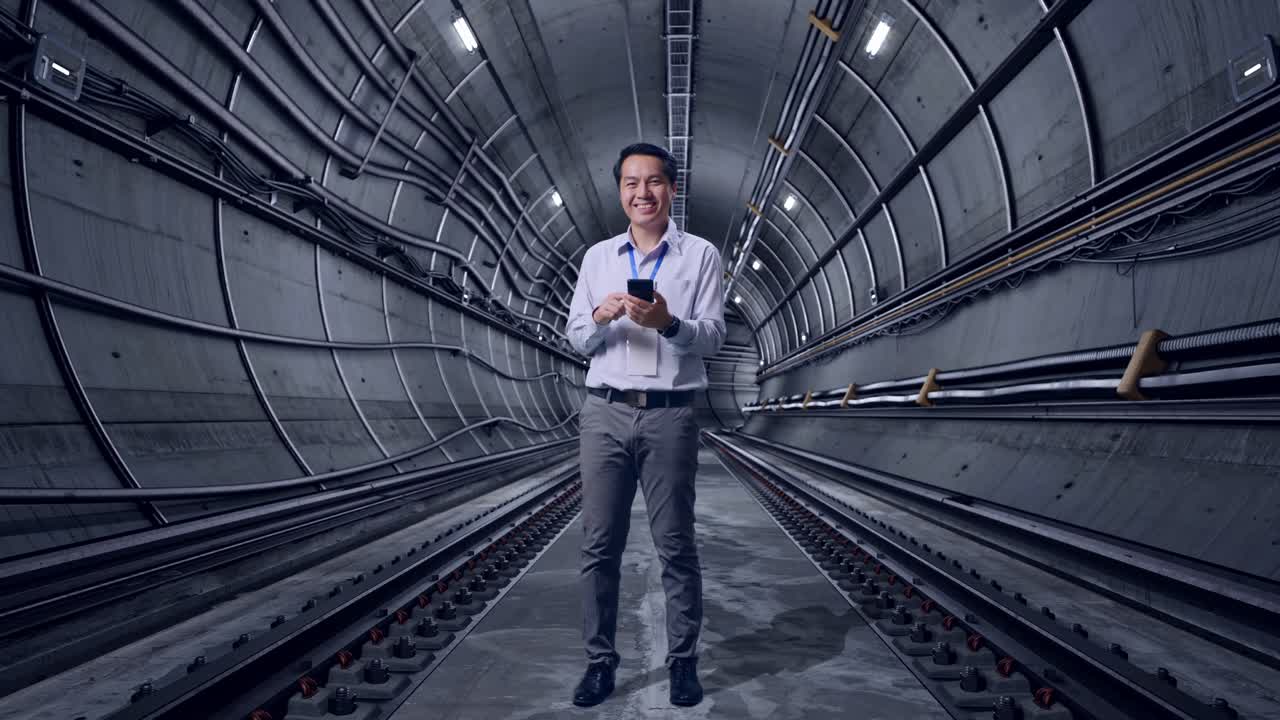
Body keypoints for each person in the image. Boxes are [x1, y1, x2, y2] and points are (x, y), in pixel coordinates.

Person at [564, 143, 726, 708]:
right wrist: (601, 320)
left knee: (676, 545)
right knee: (598, 546)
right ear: (620, 193)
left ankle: (682, 664)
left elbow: (713, 336)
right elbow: (575, 338)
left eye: (653, 182)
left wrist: (669, 322)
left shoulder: (700, 256)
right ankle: (599, 664)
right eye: (631, 183)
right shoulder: (597, 259)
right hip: (604, 411)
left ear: (671, 189)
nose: (642, 193)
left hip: (670, 415)